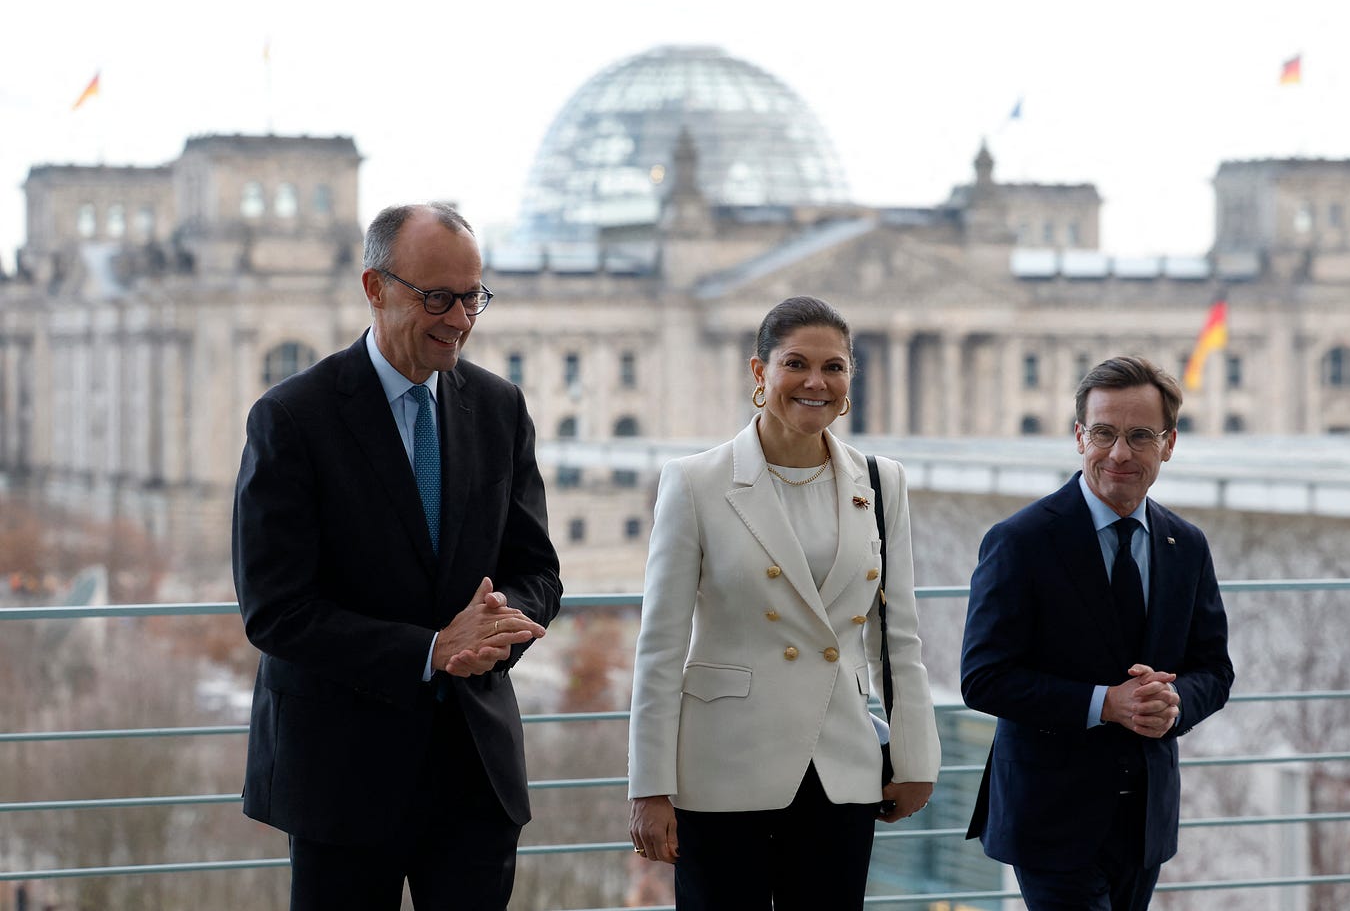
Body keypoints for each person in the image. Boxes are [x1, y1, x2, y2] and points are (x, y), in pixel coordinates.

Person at [233, 202, 562, 910]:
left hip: (476, 773)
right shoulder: (292, 417)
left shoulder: (502, 406)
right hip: (341, 779)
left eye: (473, 296)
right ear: (375, 288)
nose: (460, 319)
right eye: (437, 297)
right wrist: (431, 649)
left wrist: (497, 631)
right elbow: (275, 610)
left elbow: (537, 570)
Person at [627, 295, 942, 910]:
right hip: (723, 770)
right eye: (796, 363)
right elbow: (660, 647)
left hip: (840, 767)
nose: (816, 382)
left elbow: (896, 635)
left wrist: (915, 757)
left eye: (835, 367)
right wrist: (650, 787)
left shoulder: (882, 482)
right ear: (759, 373)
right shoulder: (696, 482)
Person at [959, 355, 1234, 911]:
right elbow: (984, 678)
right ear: (1079, 436)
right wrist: (1106, 704)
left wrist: (1175, 703)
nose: (1120, 454)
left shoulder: (1187, 545)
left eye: (1139, 436)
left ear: (1170, 442)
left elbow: (1215, 670)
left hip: (1146, 821)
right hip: (1050, 818)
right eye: (1104, 433)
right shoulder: (1021, 541)